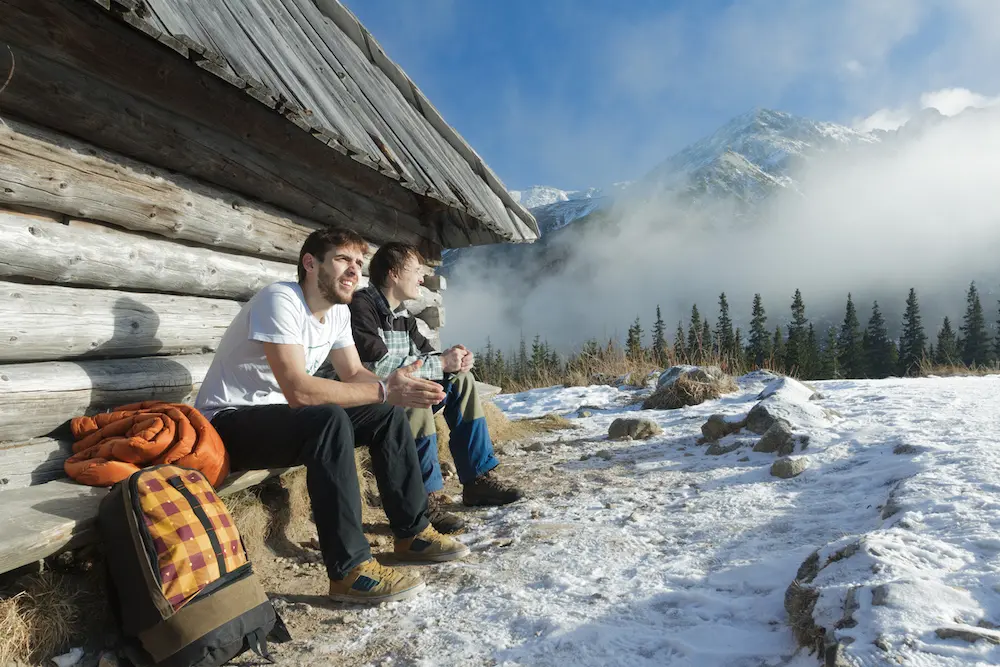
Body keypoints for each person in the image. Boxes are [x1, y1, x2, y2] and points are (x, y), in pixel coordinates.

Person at [195, 228, 469, 605]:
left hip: (285, 419)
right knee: (328, 419)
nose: (354, 270)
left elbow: (355, 374)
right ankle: (349, 570)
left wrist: (397, 392)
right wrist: (386, 390)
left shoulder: (339, 311)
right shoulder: (281, 300)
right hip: (229, 422)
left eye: (358, 263)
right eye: (343, 259)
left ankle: (413, 533)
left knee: (385, 415)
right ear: (311, 263)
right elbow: (298, 389)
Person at [348, 242, 523, 534]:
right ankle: (423, 499)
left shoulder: (404, 317)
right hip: (367, 399)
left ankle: (477, 480)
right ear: (392, 274)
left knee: (462, 381)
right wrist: (441, 363)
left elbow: (430, 357)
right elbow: (374, 365)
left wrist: (458, 363)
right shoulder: (361, 306)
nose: (420, 278)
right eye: (415, 270)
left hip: (398, 392)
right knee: (414, 393)